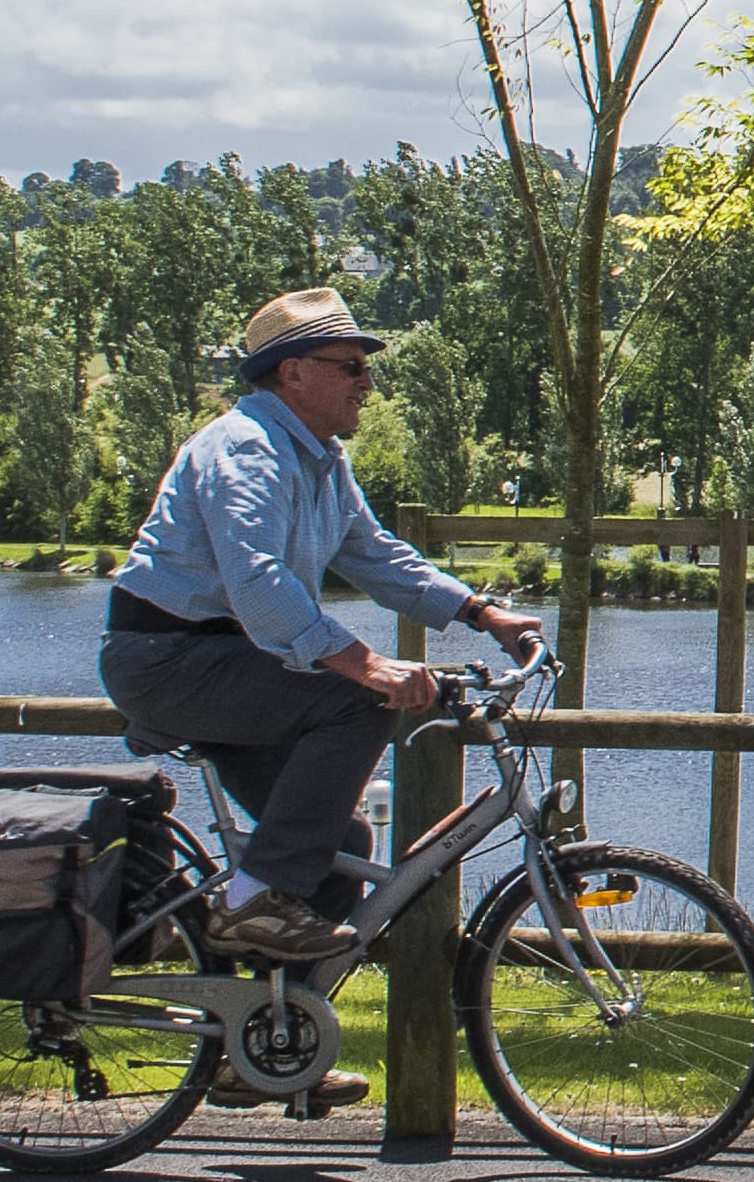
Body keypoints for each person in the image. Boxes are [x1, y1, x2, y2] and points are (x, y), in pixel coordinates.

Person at [101, 290, 539, 952]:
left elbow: (374, 553)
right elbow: (257, 580)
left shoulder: (321, 459)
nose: (367, 383)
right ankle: (248, 902)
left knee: (340, 844)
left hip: (234, 665)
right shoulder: (247, 450)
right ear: (292, 371)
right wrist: (365, 665)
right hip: (169, 661)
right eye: (351, 365)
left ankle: (273, 1048)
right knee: (359, 701)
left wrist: (480, 612)